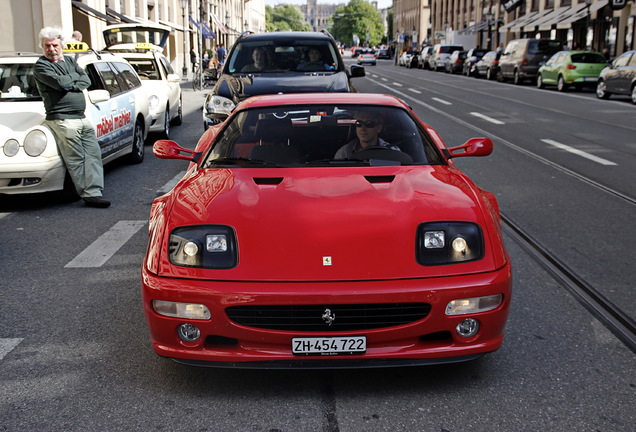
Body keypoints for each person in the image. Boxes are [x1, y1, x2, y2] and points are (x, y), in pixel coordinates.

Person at [33, 26, 110, 208]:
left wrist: (71, 80)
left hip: (81, 117)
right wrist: (73, 79)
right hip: (62, 118)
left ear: (61, 45)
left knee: (93, 154)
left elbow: (86, 80)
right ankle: (90, 195)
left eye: (54, 45)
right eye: (47, 46)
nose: (51, 49)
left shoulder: (68, 60)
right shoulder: (42, 65)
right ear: (42, 47)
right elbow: (60, 84)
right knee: (76, 158)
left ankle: (95, 190)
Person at [334, 111, 400, 159]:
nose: (363, 128)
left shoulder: (392, 152)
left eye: (369, 124)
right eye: (359, 123)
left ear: (379, 128)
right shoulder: (344, 153)